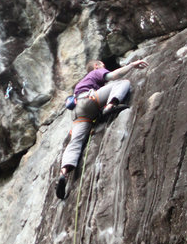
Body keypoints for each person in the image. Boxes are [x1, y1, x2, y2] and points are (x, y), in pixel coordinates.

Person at [56, 58, 149, 199]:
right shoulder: (96, 72)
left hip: (77, 113)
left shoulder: (80, 84)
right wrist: (131, 65)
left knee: (75, 142)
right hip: (89, 101)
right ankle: (110, 106)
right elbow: (112, 77)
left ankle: (63, 173)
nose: (104, 66)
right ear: (96, 66)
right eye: (102, 65)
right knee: (123, 83)